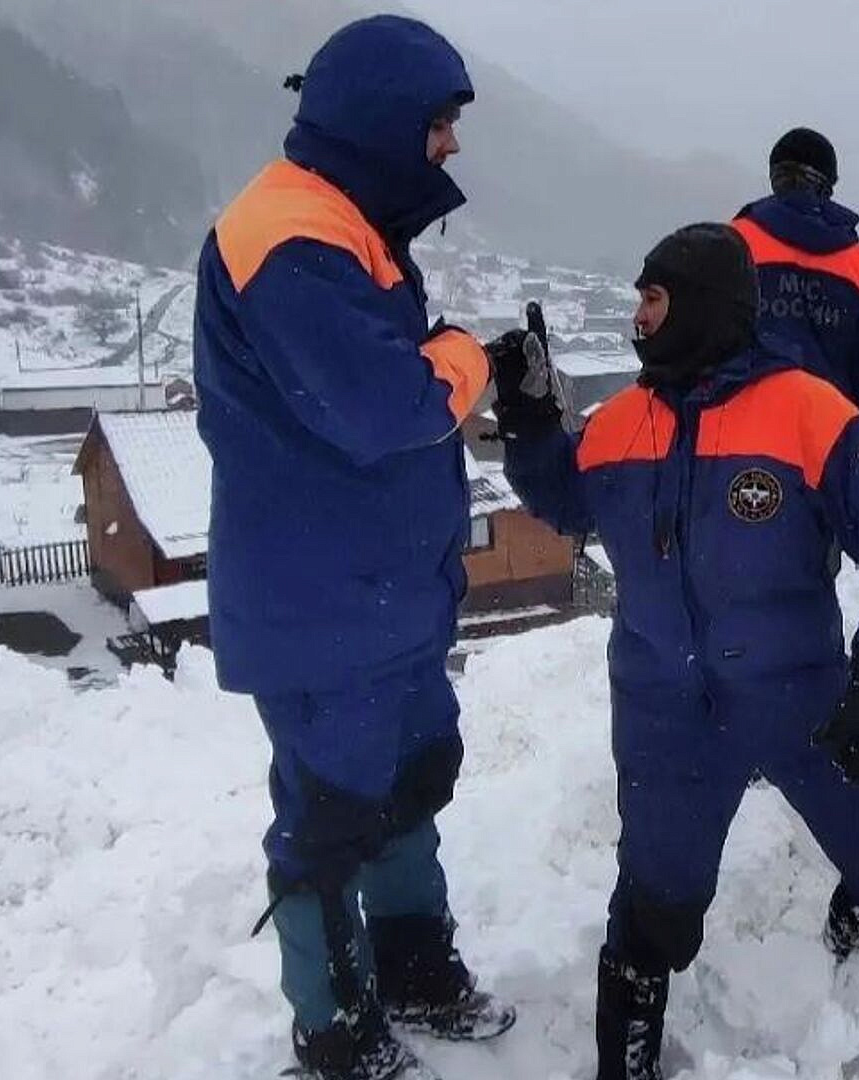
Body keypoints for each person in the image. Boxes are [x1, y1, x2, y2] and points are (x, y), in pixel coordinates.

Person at [493, 223, 859, 1080]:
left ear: (700, 305)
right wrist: (528, 417)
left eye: (652, 298)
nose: (637, 317)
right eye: (638, 299)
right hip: (668, 715)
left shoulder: (810, 411)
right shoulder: (624, 423)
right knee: (653, 917)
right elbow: (563, 497)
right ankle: (626, 1060)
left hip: (800, 698)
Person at [193, 15, 517, 1079]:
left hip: (381, 596)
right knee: (331, 821)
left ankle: (415, 970)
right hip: (321, 607)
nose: (452, 149)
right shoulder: (290, 240)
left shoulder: (344, 225)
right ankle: (333, 1030)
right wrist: (468, 357)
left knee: (412, 779)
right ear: (385, 121)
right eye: (440, 125)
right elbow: (390, 406)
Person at [731, 127, 859, 432]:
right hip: (831, 444)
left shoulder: (731, 244)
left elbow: (699, 353)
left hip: (742, 442)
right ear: (828, 184)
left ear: (774, 176)